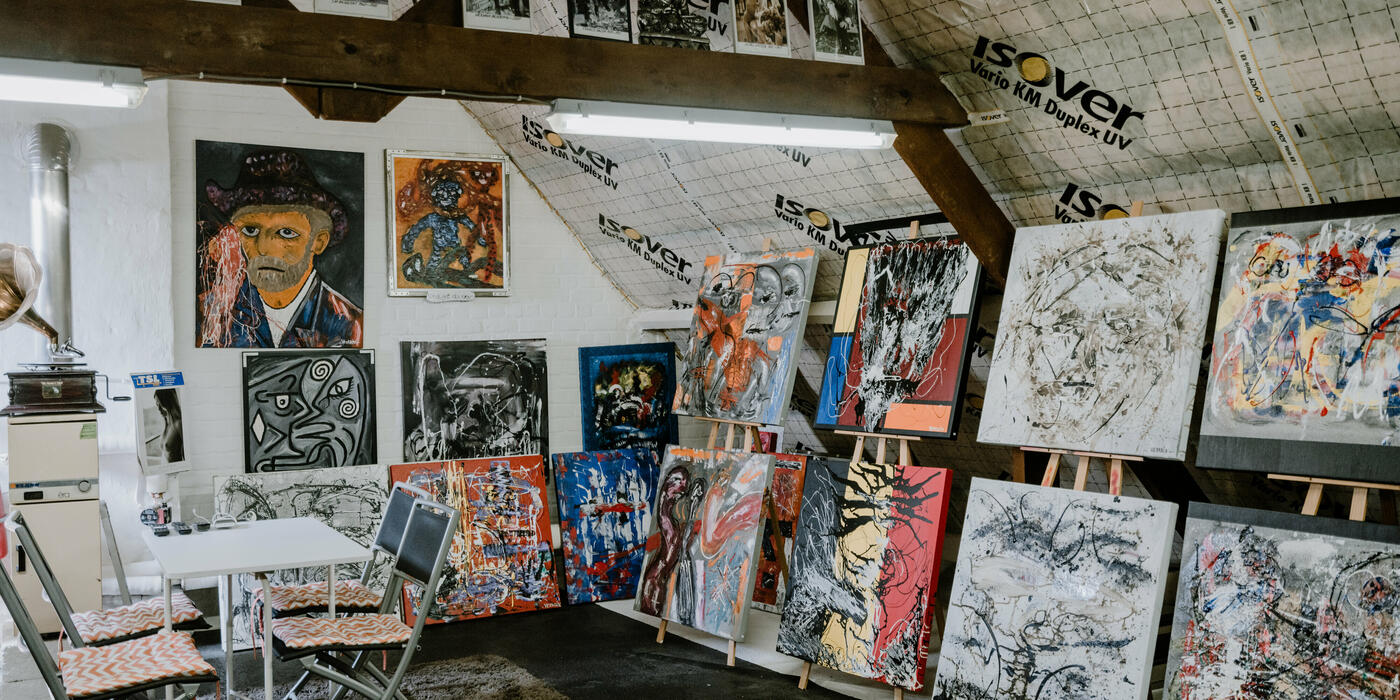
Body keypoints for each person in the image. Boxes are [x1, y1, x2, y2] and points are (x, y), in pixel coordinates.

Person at [200, 149, 363, 348]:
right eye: (250, 230)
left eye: (286, 233)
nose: (264, 248)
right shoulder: (212, 317)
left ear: (318, 242)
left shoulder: (351, 327)